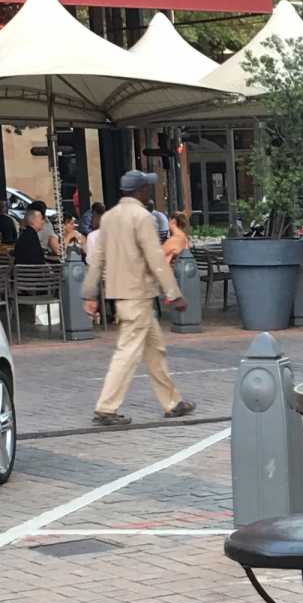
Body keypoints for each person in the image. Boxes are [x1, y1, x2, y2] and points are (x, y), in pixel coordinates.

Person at [82, 171, 195, 427]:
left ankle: (172, 402)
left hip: (123, 296)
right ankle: (106, 408)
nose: (149, 192)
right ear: (140, 191)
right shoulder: (142, 217)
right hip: (138, 294)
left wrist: (90, 294)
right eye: (147, 188)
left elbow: (96, 257)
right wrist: (174, 293)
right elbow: (155, 259)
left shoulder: (109, 217)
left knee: (155, 350)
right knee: (128, 352)